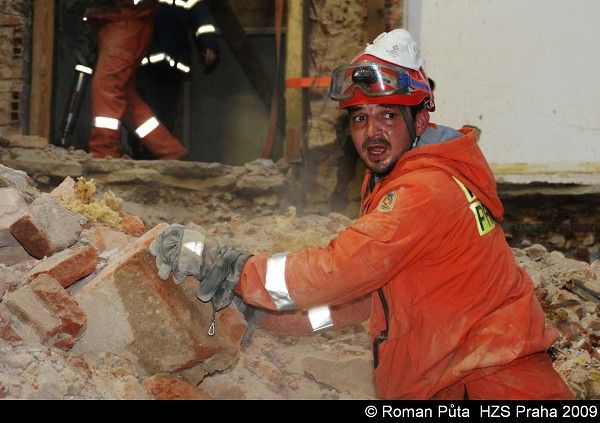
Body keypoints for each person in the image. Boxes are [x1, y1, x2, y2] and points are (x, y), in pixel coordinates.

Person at [148, 28, 574, 399]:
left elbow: (339, 270)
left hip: (487, 388)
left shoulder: (424, 191)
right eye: (360, 119)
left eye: (389, 115)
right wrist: (273, 317)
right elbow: (367, 299)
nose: (372, 132)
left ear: (420, 119)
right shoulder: (412, 177)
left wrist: (231, 266)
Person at [84, 0, 187, 160]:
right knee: (124, 95)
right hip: (118, 20)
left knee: (107, 87)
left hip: (126, 20)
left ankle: (104, 152)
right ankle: (170, 150)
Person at [128, 0, 219, 159]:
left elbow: (201, 18)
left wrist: (208, 44)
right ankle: (142, 155)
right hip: (145, 64)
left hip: (172, 65)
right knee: (145, 113)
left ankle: (156, 157)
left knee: (165, 115)